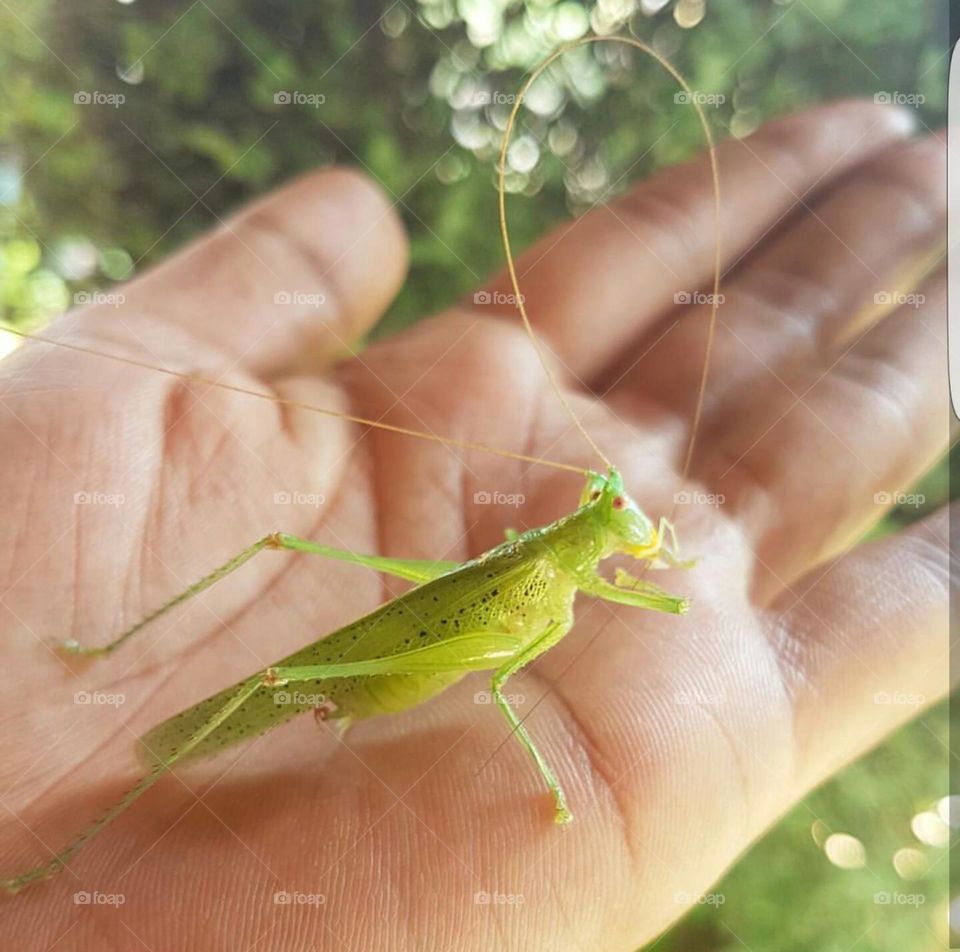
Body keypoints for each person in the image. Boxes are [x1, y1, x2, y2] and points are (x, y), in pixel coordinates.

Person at [0, 99, 947, 950]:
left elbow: (640, 611)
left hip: (447, 642)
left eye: (613, 518)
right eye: (607, 513)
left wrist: (652, 565)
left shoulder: (571, 571)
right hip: (395, 661)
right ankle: (52, 854)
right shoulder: (552, 576)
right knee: (289, 609)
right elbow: (500, 684)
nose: (616, 522)